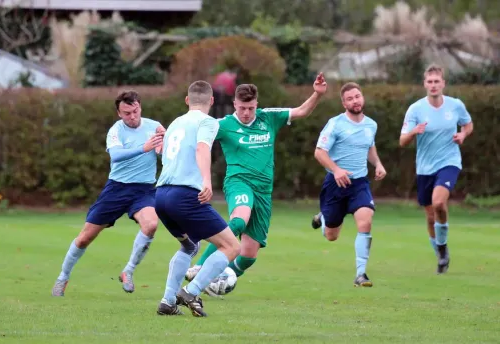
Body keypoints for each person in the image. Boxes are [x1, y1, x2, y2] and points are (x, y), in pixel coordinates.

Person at [186, 73, 327, 294]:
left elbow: (301, 111)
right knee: (239, 221)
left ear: (256, 105)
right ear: (235, 104)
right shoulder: (223, 124)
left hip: (263, 192)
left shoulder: (268, 118)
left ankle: (216, 279)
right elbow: (195, 136)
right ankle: (200, 266)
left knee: (249, 255)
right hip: (238, 183)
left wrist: (317, 94)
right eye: (242, 108)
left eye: (250, 108)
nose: (246, 113)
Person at [51, 91, 165, 296]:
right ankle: (62, 277)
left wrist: (164, 145)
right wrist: (144, 148)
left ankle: (128, 271)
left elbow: (167, 150)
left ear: (140, 106)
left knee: (151, 225)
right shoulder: (116, 130)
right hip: (117, 189)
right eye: (127, 113)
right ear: (119, 113)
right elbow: (116, 156)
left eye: (135, 111)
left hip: (144, 190)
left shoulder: (154, 126)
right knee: (85, 237)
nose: (132, 116)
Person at [154, 80, 240, 317]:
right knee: (232, 246)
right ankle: (191, 291)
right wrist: (206, 181)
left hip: (161, 196)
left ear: (186, 100)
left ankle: (168, 301)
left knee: (190, 245)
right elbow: (203, 149)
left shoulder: (174, 123)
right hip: (185, 196)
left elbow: (165, 156)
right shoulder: (207, 121)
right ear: (212, 101)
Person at [310, 82, 387, 287]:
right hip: (335, 185)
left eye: (357, 96)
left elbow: (369, 146)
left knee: (366, 222)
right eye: (350, 98)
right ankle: (324, 218)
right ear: (344, 103)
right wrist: (336, 170)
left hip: (359, 183)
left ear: (362, 98)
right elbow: (319, 152)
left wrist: (378, 164)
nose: (355, 101)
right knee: (331, 236)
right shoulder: (335, 124)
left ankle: (361, 274)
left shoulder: (371, 125)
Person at [399, 64, 473, 274]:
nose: (433, 85)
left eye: (436, 81)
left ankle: (442, 249)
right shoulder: (415, 109)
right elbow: (402, 140)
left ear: (443, 84)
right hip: (424, 168)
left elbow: (468, 124)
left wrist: (463, 135)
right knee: (431, 217)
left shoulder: (455, 105)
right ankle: (441, 254)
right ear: (425, 84)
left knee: (439, 202)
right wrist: (414, 131)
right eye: (429, 82)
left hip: (449, 162)